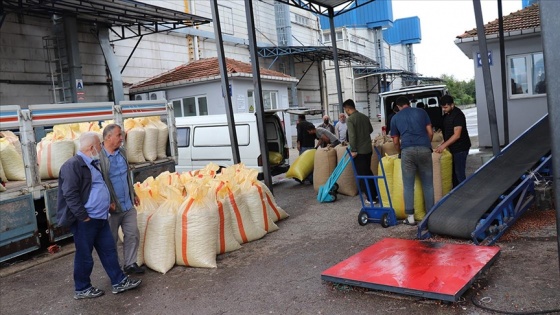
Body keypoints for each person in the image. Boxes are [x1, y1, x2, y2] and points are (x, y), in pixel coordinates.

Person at [56, 132, 142, 300]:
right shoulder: (73, 165)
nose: (101, 147)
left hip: (100, 217)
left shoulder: (91, 163)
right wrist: (83, 216)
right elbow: (70, 195)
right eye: (99, 144)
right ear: (91, 147)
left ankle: (119, 281)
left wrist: (107, 201)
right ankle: (82, 288)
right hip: (86, 221)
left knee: (109, 250)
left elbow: (98, 185)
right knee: (84, 255)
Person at [99, 124, 144, 274]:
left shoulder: (122, 153)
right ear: (108, 137)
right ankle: (115, 270)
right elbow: (99, 182)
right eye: (118, 135)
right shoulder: (100, 157)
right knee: (111, 240)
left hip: (127, 204)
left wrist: (134, 193)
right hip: (112, 207)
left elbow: (126, 177)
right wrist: (107, 201)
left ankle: (130, 264)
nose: (121, 138)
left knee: (132, 234)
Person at [390, 96, 434, 226]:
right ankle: (430, 215)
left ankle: (410, 217)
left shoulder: (395, 118)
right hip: (425, 149)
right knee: (428, 184)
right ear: (409, 103)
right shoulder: (422, 112)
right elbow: (430, 133)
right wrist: (426, 144)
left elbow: (395, 141)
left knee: (408, 185)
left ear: (397, 106)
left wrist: (400, 153)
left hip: (407, 151)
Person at [342, 99, 377, 204]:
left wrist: (353, 150)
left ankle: (370, 198)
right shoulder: (364, 117)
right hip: (368, 150)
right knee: (368, 172)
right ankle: (375, 194)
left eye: (345, 110)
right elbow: (370, 130)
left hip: (359, 152)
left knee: (362, 175)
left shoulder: (351, 119)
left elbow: (352, 136)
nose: (345, 112)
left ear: (348, 108)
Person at [434, 95, 471, 187]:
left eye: (445, 107)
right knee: (454, 174)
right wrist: (443, 144)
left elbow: (457, 135)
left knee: (459, 173)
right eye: (442, 107)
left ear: (452, 105)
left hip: (460, 148)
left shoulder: (458, 115)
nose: (444, 109)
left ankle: (464, 192)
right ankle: (457, 193)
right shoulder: (447, 115)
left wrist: (443, 146)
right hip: (453, 148)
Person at [296, 114, 316, 184]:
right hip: (311, 145)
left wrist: (298, 144)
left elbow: (299, 135)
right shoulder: (310, 124)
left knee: (303, 162)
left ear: (299, 118)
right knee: (310, 163)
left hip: (304, 145)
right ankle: (311, 178)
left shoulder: (300, 125)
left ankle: (302, 178)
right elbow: (314, 134)